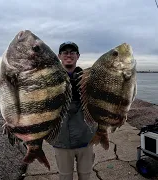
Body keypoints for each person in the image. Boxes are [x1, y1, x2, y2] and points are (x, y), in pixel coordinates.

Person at [51, 41, 97, 180]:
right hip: (61, 140)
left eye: (72, 52)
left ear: (78, 56)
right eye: (65, 52)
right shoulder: (51, 79)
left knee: (85, 175)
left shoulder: (88, 79)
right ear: (59, 56)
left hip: (86, 138)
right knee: (65, 176)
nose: (69, 55)